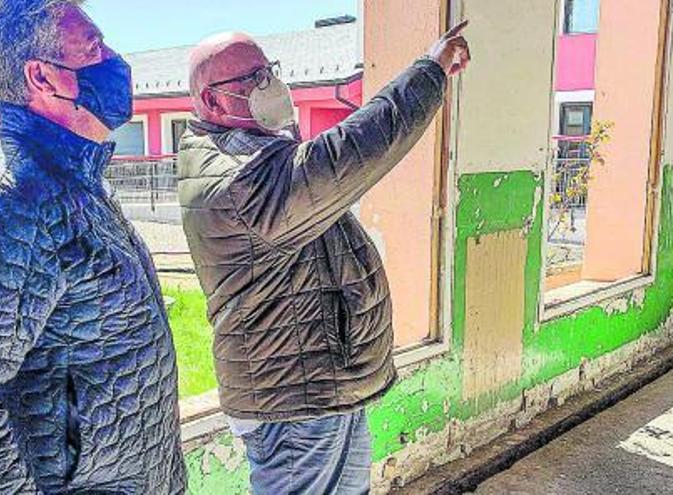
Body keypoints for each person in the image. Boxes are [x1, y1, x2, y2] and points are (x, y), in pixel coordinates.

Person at [178, 21, 471, 494]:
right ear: (211, 101)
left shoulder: (253, 151)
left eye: (268, 71)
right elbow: (354, 150)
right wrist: (429, 70)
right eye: (250, 79)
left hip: (319, 384)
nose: (269, 85)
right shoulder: (237, 181)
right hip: (294, 401)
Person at [0, 1, 186, 493]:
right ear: (42, 76)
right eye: (94, 47)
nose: (115, 60)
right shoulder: (4, 201)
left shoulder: (75, 176)